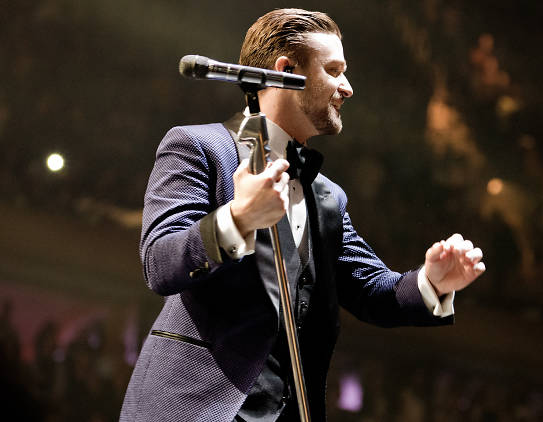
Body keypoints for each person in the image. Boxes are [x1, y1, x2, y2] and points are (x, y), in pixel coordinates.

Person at [120, 8, 485, 422]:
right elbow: (159, 262)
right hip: (195, 409)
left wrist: (432, 281)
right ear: (285, 70)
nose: (347, 88)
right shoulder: (199, 146)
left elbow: (373, 292)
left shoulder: (327, 197)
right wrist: (237, 218)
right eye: (333, 70)